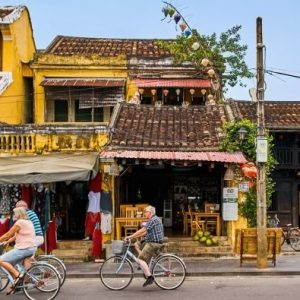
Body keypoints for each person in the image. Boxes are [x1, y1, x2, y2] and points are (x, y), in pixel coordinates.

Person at [125, 205, 164, 287]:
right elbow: (144, 233)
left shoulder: (153, 220)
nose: (144, 213)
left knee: (139, 259)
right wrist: (133, 237)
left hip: (154, 243)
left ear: (150, 212)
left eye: (145, 212)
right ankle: (145, 262)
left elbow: (142, 230)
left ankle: (150, 277)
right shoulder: (153, 219)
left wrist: (130, 236)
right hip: (150, 241)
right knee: (136, 244)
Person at [0, 207, 36, 295]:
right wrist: (7, 242)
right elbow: (16, 236)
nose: (13, 215)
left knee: (1, 260)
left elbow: (8, 234)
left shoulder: (19, 222)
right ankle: (16, 283)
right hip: (30, 248)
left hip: (23, 249)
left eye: (15, 213)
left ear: (19, 214)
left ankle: (18, 275)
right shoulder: (28, 222)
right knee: (11, 264)